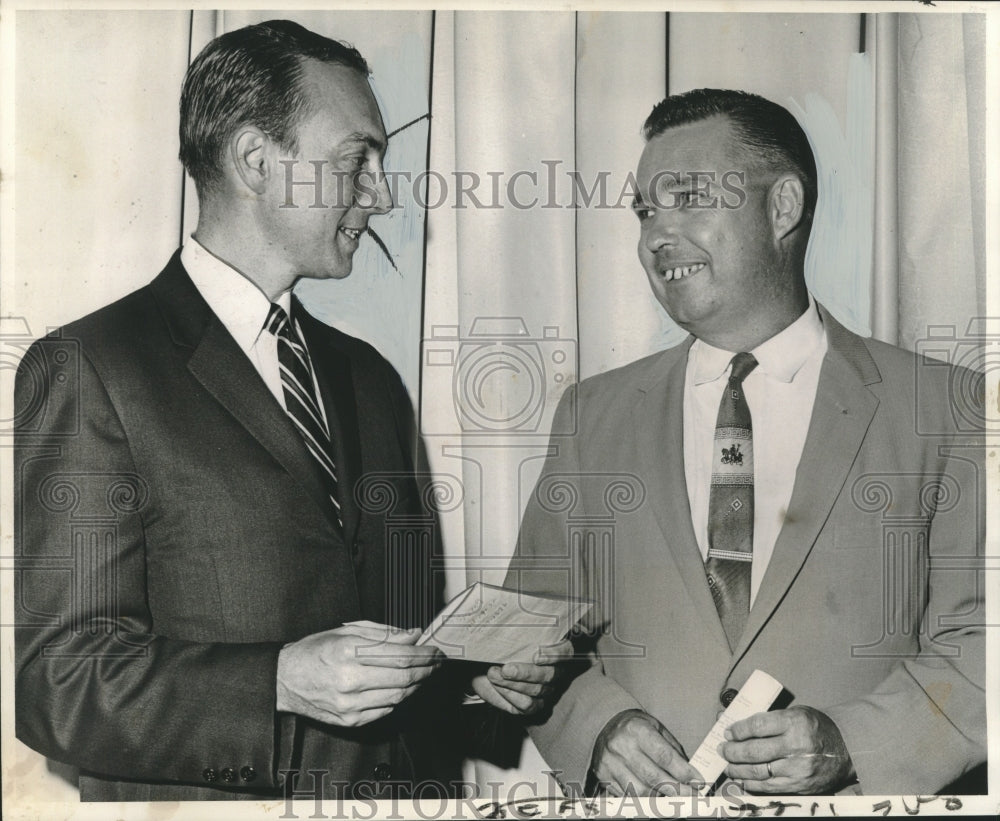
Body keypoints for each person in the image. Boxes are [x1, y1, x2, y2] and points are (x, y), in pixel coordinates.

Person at [14, 19, 565, 802]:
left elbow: (403, 648)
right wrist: (276, 680)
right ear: (253, 160)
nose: (380, 191)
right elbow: (60, 684)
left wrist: (481, 685)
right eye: (357, 159)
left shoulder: (370, 378)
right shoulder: (92, 366)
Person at [507, 88, 985, 796]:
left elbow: (985, 642)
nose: (657, 236)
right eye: (645, 211)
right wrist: (596, 728)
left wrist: (855, 742)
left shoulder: (950, 408)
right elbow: (525, 642)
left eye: (690, 196)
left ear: (783, 207)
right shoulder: (591, 414)